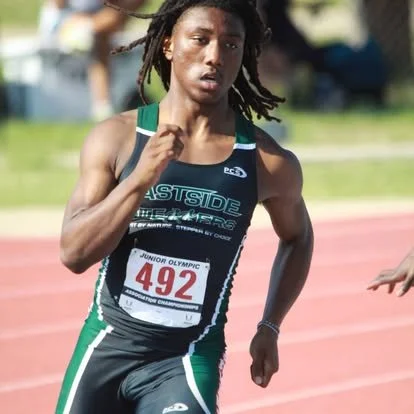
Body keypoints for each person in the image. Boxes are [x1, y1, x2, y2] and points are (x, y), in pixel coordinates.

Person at [55, 0, 314, 412]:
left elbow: (298, 236)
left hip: (185, 360)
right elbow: (73, 252)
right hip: (105, 350)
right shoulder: (118, 138)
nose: (215, 56)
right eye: (200, 39)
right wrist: (141, 178)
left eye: (231, 45)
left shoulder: (267, 160)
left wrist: (270, 326)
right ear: (169, 45)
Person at [38, 0, 146, 121]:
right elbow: (58, 5)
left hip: (94, 24)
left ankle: (108, 104)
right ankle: (102, 105)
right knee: (100, 39)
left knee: (107, 24)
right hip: (64, 22)